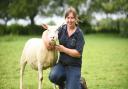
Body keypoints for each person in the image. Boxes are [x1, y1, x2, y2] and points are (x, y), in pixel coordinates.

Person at [47, 7, 86, 89]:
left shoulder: (79, 34)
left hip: (74, 66)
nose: (70, 20)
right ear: (65, 18)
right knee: (53, 76)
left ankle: (81, 83)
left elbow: (78, 54)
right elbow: (50, 33)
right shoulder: (62, 29)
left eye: (72, 18)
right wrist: (48, 43)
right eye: (68, 18)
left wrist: (63, 49)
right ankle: (63, 85)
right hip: (62, 64)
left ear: (75, 19)